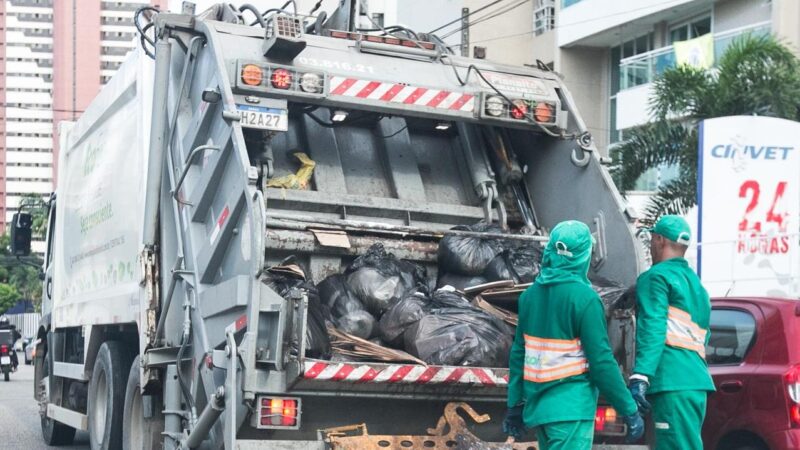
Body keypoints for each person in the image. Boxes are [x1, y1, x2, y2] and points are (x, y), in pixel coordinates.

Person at [504, 220, 644, 449]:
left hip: (539, 410)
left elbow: (519, 353)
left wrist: (514, 403)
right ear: (583, 257)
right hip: (570, 410)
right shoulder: (585, 300)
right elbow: (601, 363)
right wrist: (627, 407)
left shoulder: (529, 296)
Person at [628, 215, 715, 450]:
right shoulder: (698, 287)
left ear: (658, 239)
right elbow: (704, 336)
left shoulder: (655, 277)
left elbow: (653, 326)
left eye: (651, 239)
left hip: (672, 382)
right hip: (696, 383)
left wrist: (641, 375)